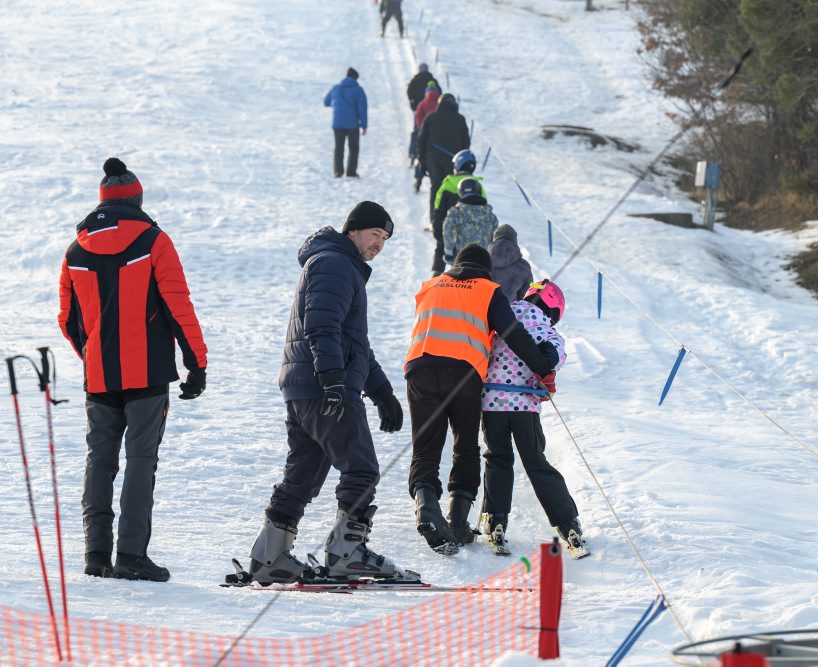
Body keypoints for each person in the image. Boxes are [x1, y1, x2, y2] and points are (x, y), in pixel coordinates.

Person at [57, 157, 208, 582]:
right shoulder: (155, 240)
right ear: (137, 200)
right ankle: (131, 556)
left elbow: (67, 320)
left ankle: (96, 554)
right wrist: (196, 364)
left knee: (99, 462)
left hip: (100, 377)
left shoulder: (75, 250)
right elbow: (179, 307)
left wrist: (92, 355)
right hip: (148, 377)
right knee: (141, 461)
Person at [247, 201, 413, 584]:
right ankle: (347, 553)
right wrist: (333, 378)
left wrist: (382, 393)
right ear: (353, 229)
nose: (379, 245)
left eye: (385, 239)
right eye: (375, 234)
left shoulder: (339, 265)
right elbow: (320, 325)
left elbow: (354, 343)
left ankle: (270, 556)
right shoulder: (335, 263)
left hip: (306, 386)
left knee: (303, 473)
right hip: (323, 385)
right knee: (361, 466)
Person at [404, 244, 557, 555]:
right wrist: (543, 369)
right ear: (486, 271)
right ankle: (457, 522)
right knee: (464, 444)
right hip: (463, 371)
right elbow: (513, 333)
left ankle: (426, 507)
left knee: (426, 445)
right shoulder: (488, 290)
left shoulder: (429, 286)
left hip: (419, 368)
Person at [480, 279, 588, 557]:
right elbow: (552, 359)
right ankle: (568, 524)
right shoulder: (546, 331)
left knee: (497, 459)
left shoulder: (500, 314)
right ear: (553, 312)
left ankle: (495, 520)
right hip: (524, 405)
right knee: (536, 463)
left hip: (491, 402)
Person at [417, 92, 470, 272]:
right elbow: (466, 143)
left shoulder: (431, 117)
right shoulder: (460, 119)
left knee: (436, 189)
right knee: (454, 190)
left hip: (433, 158)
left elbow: (422, 140)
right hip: (453, 159)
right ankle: (453, 221)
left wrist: (422, 161)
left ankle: (435, 221)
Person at [323, 67, 368, 178]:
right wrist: (364, 125)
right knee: (353, 148)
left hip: (337, 124)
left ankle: (338, 171)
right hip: (352, 125)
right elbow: (362, 109)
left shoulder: (336, 88)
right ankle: (351, 172)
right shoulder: (358, 90)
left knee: (339, 147)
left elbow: (326, 102)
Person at [442, 179, 498, 265]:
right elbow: (496, 237)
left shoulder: (456, 213)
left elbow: (447, 229)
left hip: (461, 260)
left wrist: (449, 251)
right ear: (478, 191)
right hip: (483, 261)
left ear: (460, 192)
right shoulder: (490, 215)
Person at [433, 149, 484, 232]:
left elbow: (438, 209)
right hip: (473, 236)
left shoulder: (447, 185)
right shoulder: (478, 186)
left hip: (448, 234)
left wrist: (438, 234)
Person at [488, 224, 533, 303]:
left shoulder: (480, 260)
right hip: (509, 312)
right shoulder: (524, 267)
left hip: (478, 311)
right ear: (514, 241)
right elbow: (526, 298)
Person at [411, 80, 441, 192]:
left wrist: (421, 127)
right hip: (437, 136)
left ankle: (418, 182)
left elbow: (417, 116)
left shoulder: (422, 103)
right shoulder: (439, 104)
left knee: (422, 158)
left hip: (424, 135)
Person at [406, 66, 436, 168]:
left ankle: (412, 155)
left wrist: (413, 103)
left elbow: (409, 91)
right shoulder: (433, 81)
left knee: (416, 135)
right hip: (434, 119)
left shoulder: (415, 81)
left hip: (420, 112)